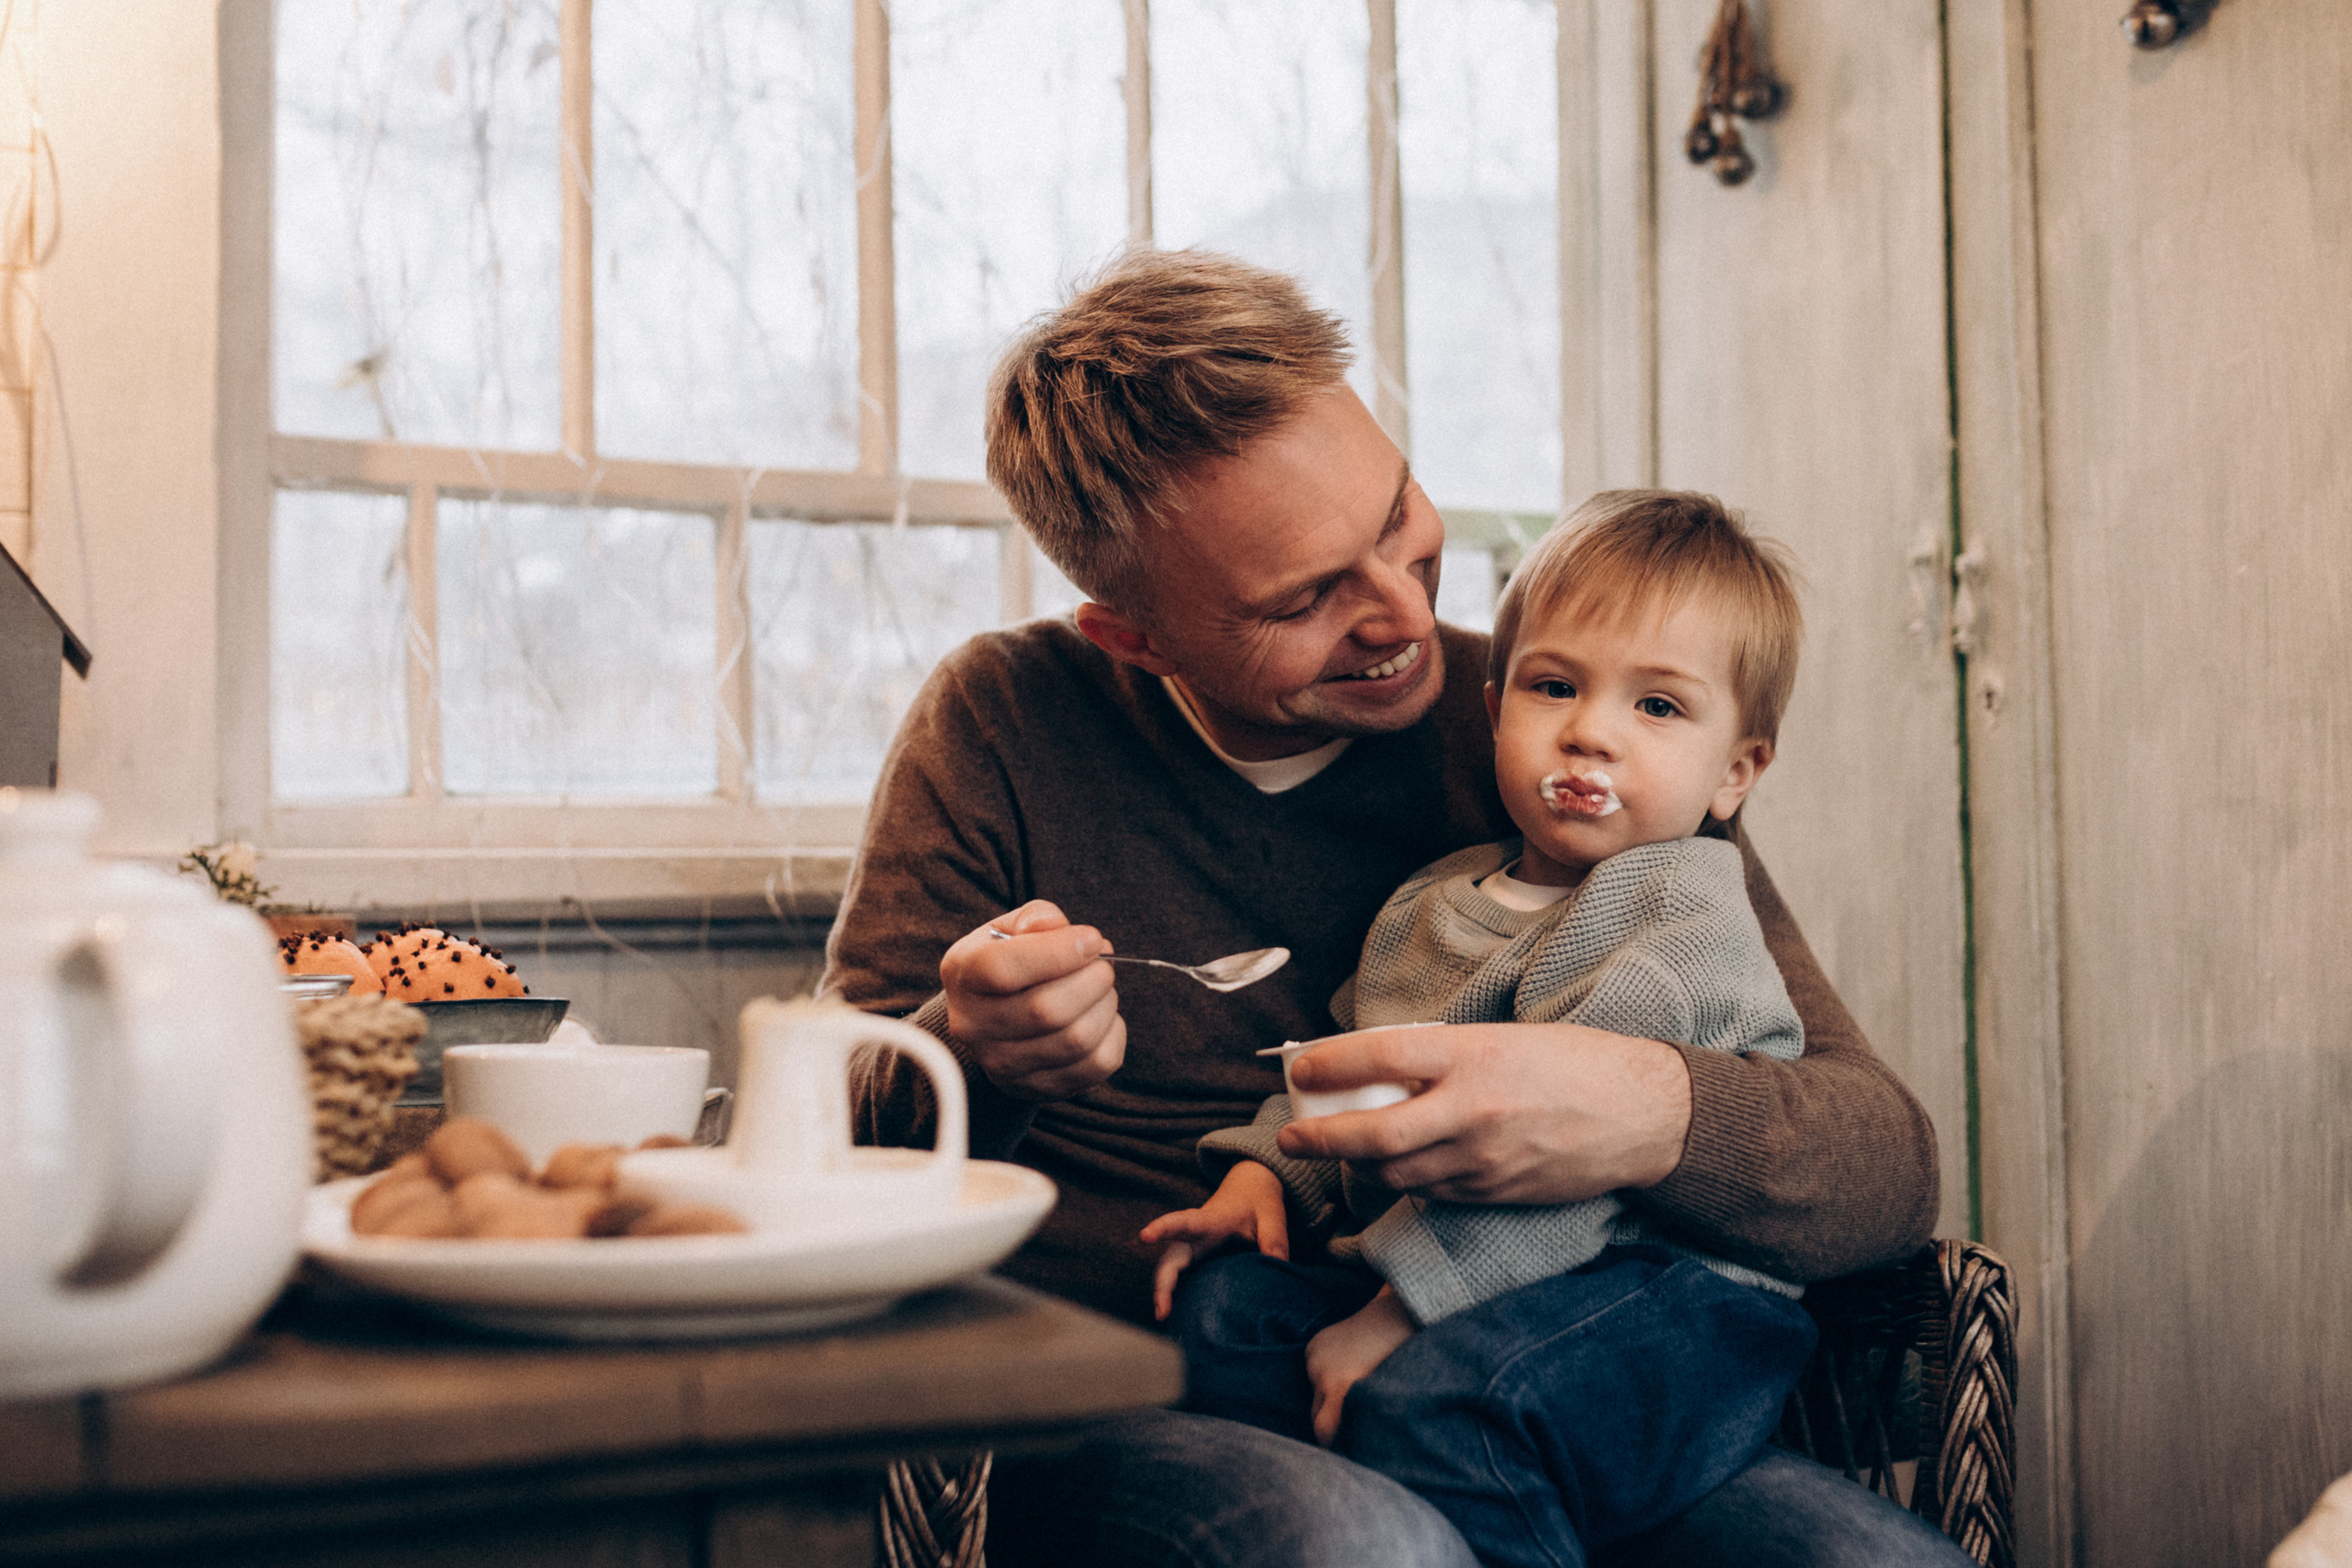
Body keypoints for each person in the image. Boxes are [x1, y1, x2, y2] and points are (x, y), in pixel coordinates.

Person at [821, 248, 1966, 1567]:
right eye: (1304, 597)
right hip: (1123, 1391)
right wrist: (964, 1050)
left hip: (1516, 1358)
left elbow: (1883, 1162)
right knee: (1372, 1544)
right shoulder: (1004, 722)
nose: (1403, 612)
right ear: (1134, 636)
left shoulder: (1562, 726)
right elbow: (822, 1138)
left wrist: (1645, 1109)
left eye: (1395, 513)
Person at [1148, 491, 1825, 1568]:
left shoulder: (1676, 917)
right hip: (1469, 1262)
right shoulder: (1435, 901)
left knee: (1444, 1400)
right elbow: (1350, 1078)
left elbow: (1568, 1175)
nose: (1590, 731)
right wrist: (1264, 1178)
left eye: (1657, 709)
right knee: (1229, 1315)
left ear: (1734, 772)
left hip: (1666, 1296)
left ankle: (1429, 1449)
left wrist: (1396, 1317)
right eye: (1554, 687)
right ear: (1495, 706)